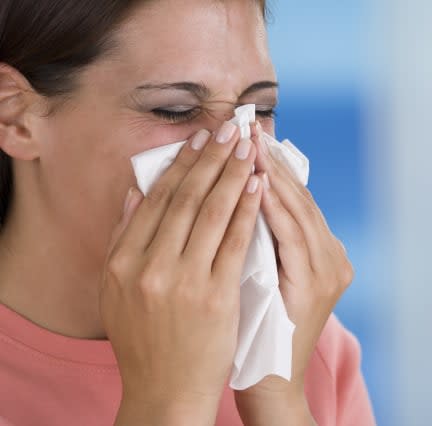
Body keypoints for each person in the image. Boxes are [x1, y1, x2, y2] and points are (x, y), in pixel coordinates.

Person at [0, 0, 375, 425]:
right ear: (16, 117)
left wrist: (277, 394)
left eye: (260, 109)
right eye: (175, 110)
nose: (238, 148)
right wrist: (169, 404)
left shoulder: (299, 345)